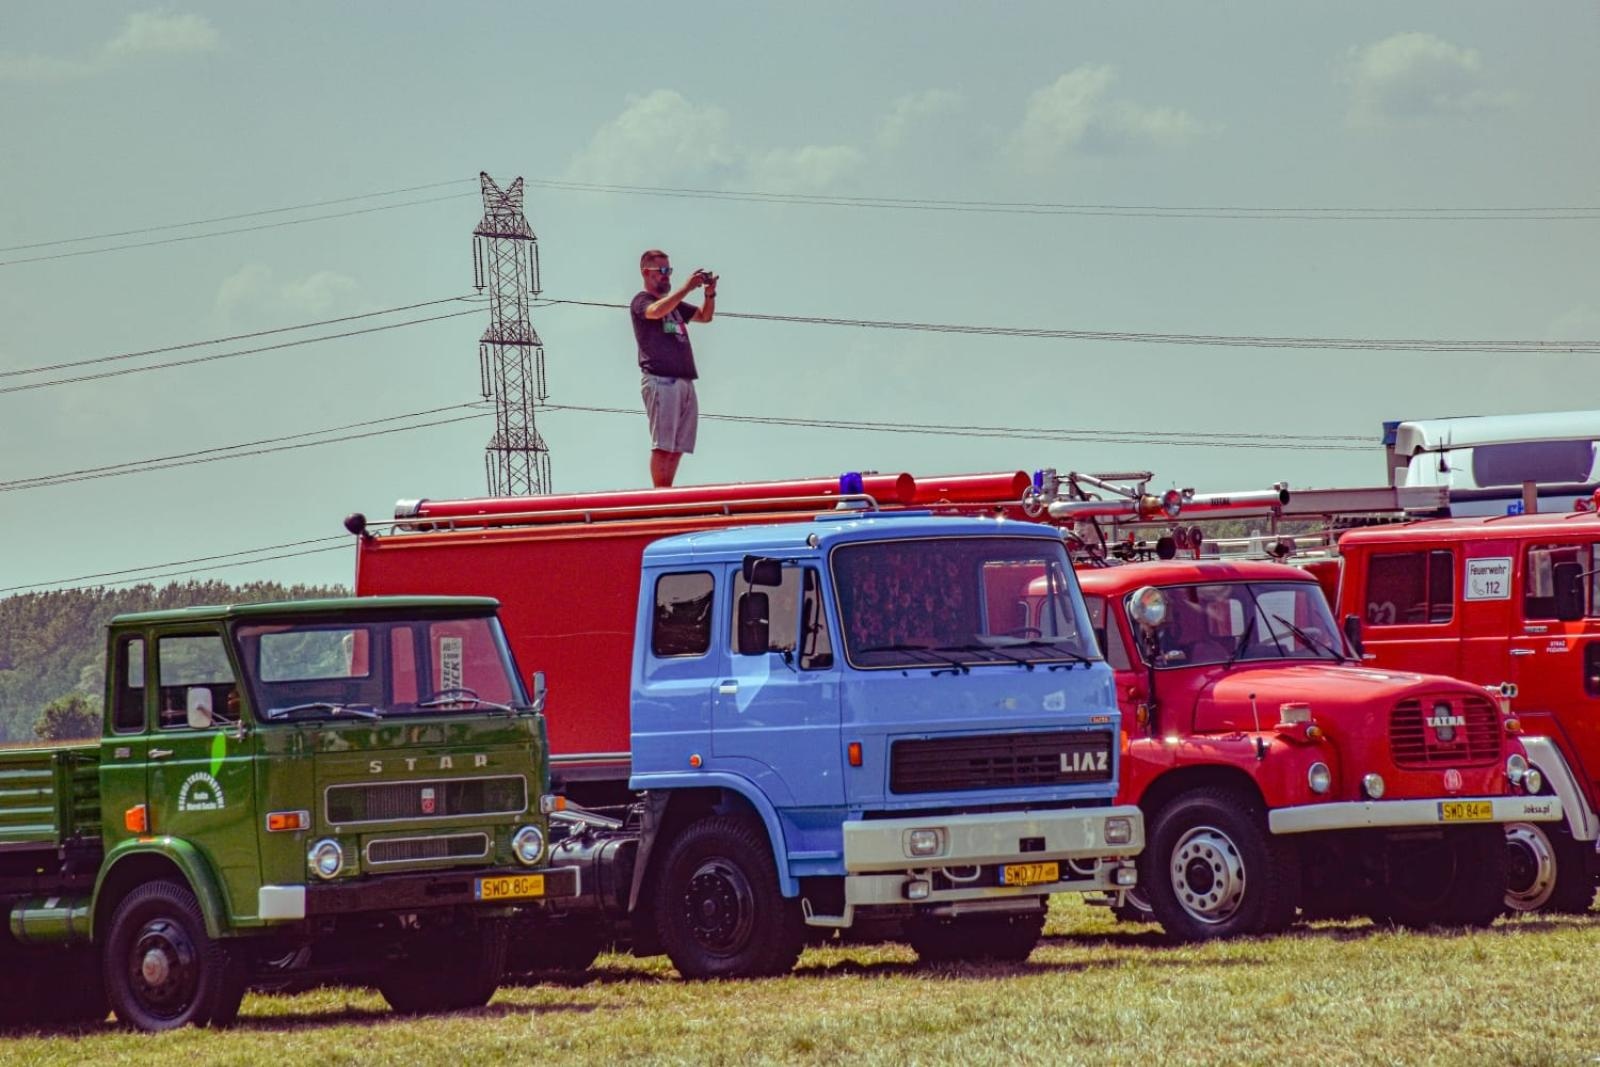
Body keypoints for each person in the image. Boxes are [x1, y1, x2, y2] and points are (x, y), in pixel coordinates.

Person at [630, 249, 718, 487]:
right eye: (662, 271)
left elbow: (704, 316)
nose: (666, 276)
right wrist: (687, 288)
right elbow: (656, 311)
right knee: (663, 444)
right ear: (646, 272)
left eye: (669, 271)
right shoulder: (642, 300)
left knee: (678, 446)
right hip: (661, 379)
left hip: (684, 380)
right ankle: (660, 498)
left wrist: (710, 294)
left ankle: (666, 492)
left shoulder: (675, 305)